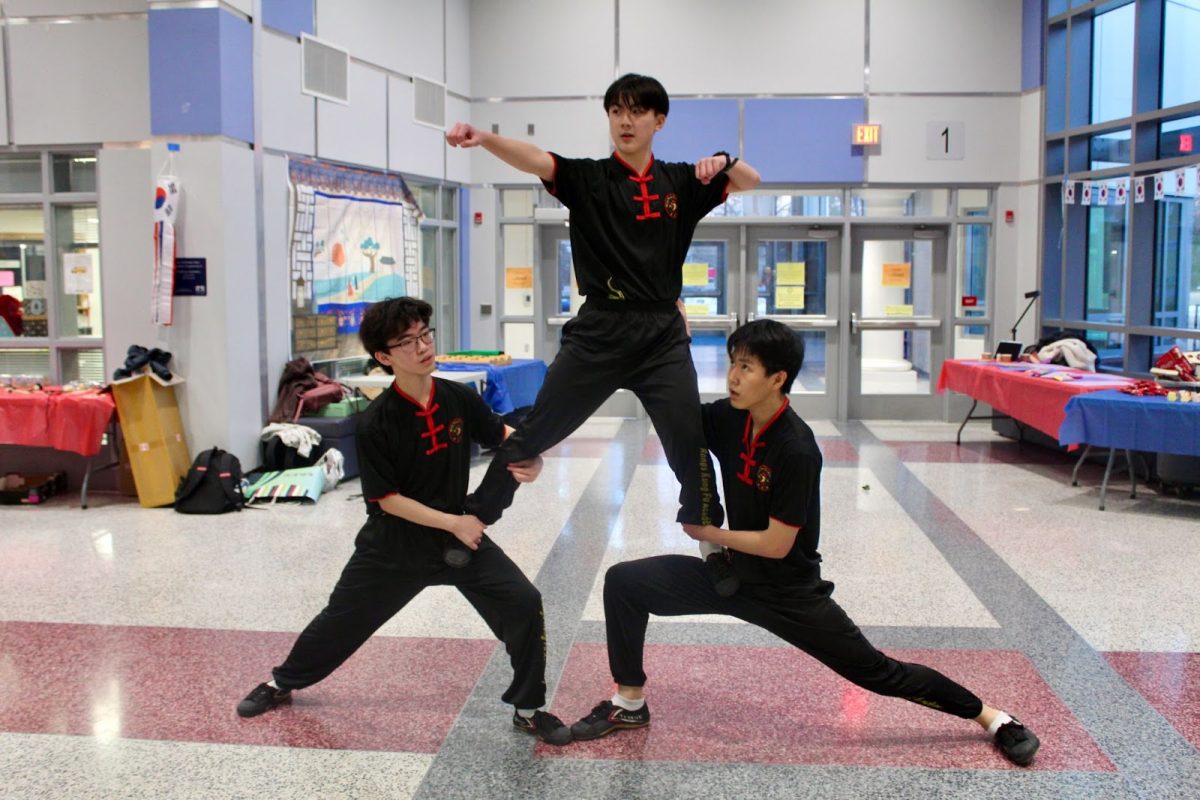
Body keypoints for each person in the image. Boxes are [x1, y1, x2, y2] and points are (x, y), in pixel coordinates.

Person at [569, 319, 1041, 767]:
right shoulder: (730, 419)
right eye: (733, 363)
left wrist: (709, 534)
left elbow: (777, 544)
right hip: (729, 573)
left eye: (746, 368)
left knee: (879, 673)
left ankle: (993, 718)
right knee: (624, 583)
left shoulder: (796, 448)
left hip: (787, 591)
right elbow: (676, 411)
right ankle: (629, 702)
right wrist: (653, 346)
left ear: (778, 378)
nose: (732, 377)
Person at [445, 74, 761, 586]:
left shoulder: (682, 181)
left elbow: (751, 181)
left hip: (660, 332)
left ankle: (712, 545)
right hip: (600, 329)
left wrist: (723, 160)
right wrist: (484, 138)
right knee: (535, 430)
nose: (624, 121)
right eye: (616, 111)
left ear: (659, 121)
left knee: (689, 442)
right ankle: (473, 519)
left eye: (636, 112)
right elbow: (536, 159)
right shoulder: (588, 178)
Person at [235, 296, 572, 746]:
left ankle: (528, 708)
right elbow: (386, 499)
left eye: (425, 335)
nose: (422, 347)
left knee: (524, 603)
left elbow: (504, 436)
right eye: (407, 342)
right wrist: (455, 525)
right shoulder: (376, 421)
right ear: (384, 357)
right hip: (395, 545)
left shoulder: (456, 397)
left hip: (459, 535)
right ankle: (281, 682)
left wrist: (534, 461)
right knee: (341, 621)